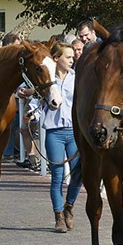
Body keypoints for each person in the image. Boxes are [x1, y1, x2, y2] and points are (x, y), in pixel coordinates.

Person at [42, 42, 82, 233]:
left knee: (78, 174)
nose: (71, 61)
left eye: (73, 57)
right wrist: (31, 112)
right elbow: (37, 99)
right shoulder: (47, 79)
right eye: (68, 57)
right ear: (56, 59)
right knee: (57, 175)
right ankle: (58, 217)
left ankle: (69, 207)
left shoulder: (77, 78)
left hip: (74, 131)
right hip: (54, 132)